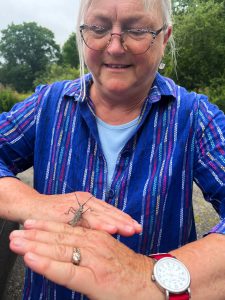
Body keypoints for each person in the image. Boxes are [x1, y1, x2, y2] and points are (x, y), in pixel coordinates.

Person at [1, 0, 225, 299]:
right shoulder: (46, 105)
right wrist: (32, 203)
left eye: (137, 30)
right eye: (98, 28)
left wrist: (146, 277)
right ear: (83, 34)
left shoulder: (196, 117)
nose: (116, 46)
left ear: (165, 38)